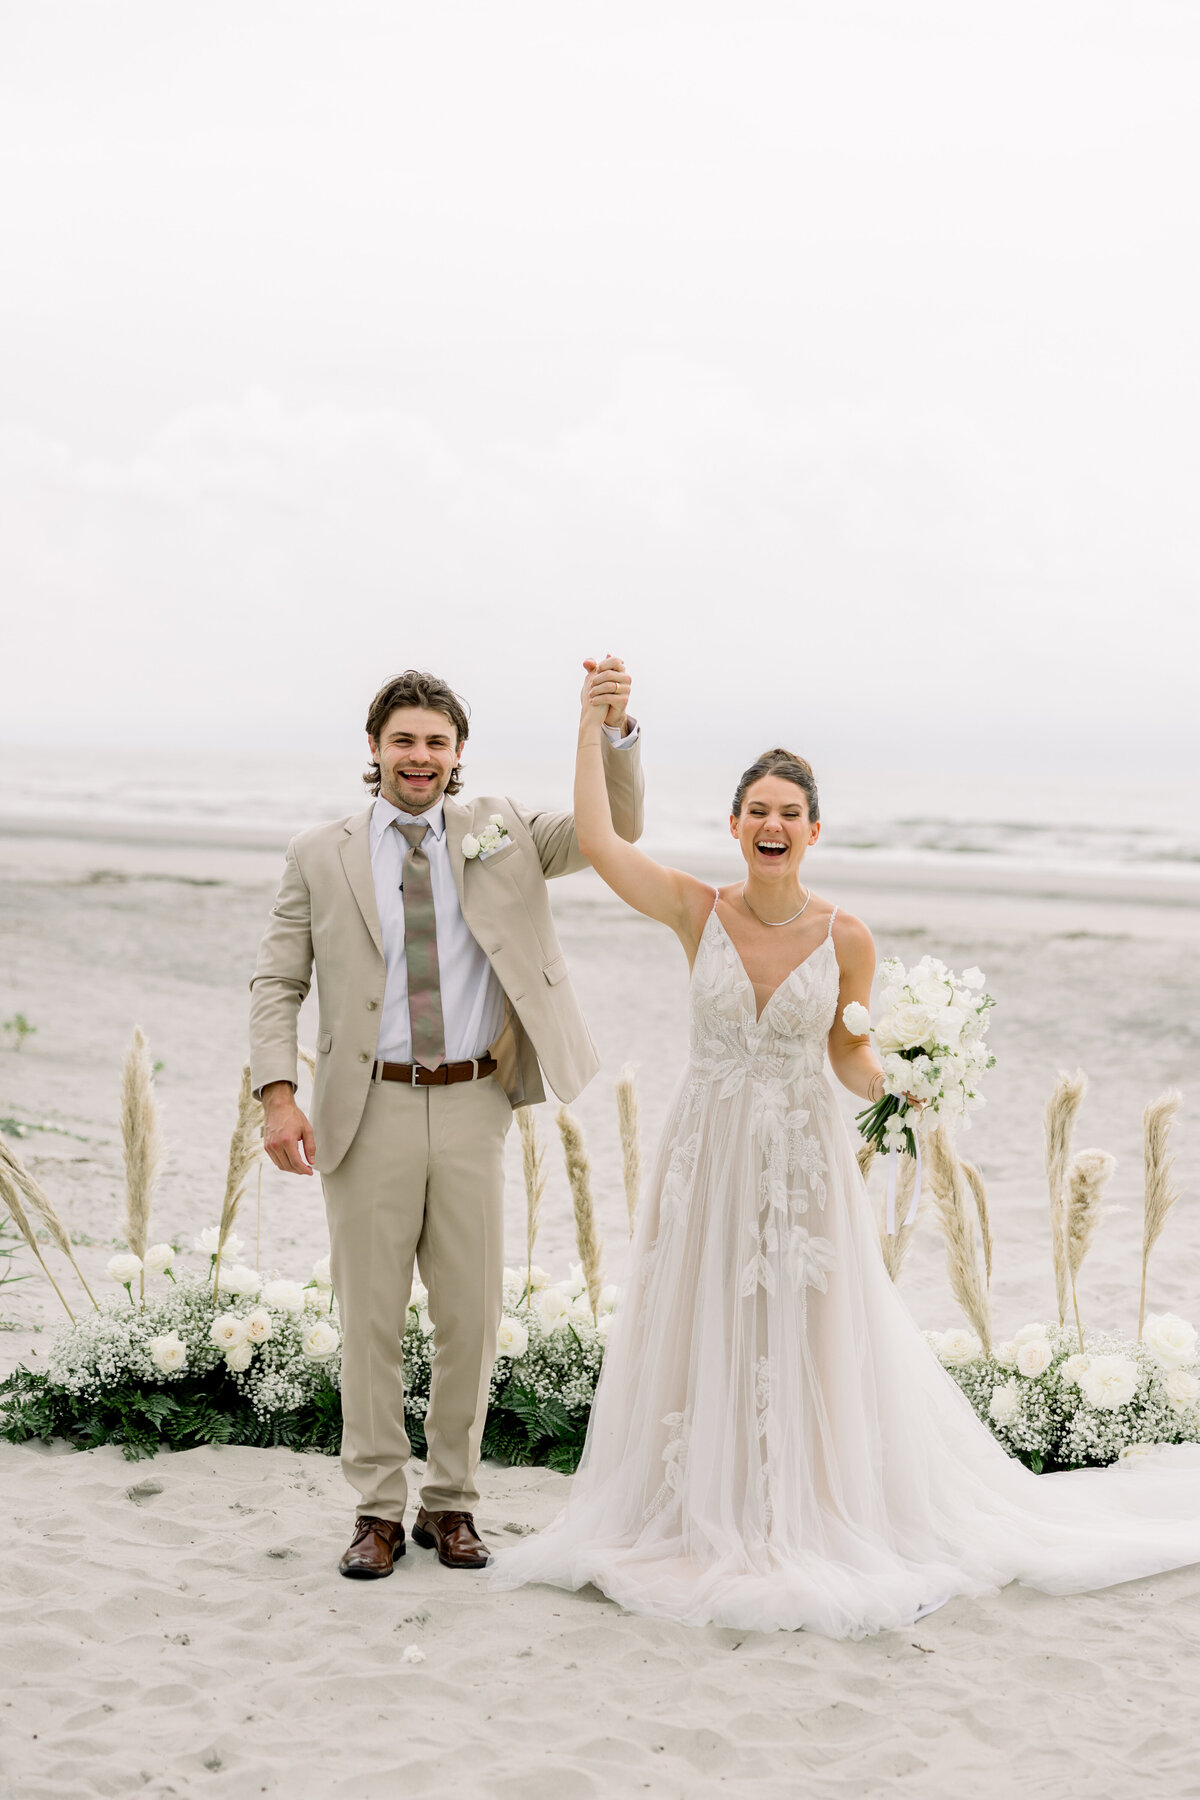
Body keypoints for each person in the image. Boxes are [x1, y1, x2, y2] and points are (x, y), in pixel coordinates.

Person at [491, 671, 1200, 1638]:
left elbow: (848, 1052)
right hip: (706, 1152)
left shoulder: (847, 936)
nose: (772, 825)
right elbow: (604, 839)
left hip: (801, 1162)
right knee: (698, 1317)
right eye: (757, 812)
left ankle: (800, 1507)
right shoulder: (695, 912)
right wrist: (592, 727)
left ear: (814, 832)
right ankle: (696, 1508)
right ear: (735, 824)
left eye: (790, 813)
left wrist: (903, 1086)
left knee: (803, 1328)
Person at [249, 661, 642, 1579]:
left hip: (474, 1102)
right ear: (375, 750)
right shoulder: (321, 851)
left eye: (435, 742)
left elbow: (611, 830)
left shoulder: (498, 829)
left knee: (470, 1315)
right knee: (371, 1321)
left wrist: (612, 732)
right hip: (366, 1104)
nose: (418, 757)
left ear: (458, 753)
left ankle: (452, 1504)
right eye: (403, 740)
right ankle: (379, 1511)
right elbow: (277, 980)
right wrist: (277, 1094)